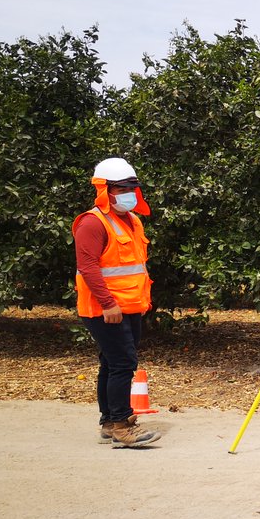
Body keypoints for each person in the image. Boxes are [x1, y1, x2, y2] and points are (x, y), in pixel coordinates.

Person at [73, 157, 160, 448]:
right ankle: (122, 426)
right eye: (122, 188)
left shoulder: (132, 220)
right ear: (105, 190)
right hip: (105, 308)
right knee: (123, 363)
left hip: (130, 306)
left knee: (111, 363)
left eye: (132, 187)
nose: (129, 193)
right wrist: (108, 304)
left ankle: (109, 422)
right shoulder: (91, 223)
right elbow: (88, 267)